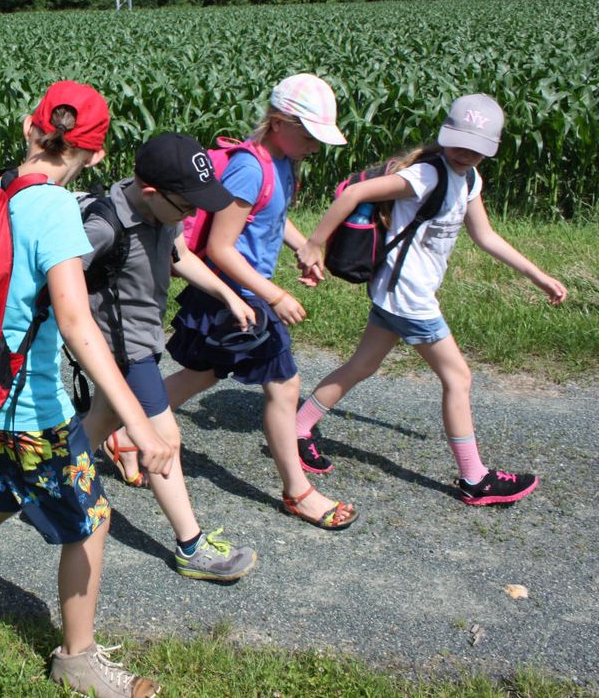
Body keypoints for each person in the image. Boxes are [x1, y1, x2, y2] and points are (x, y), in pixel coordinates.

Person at [0, 81, 172, 698]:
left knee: (3, 488)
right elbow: (76, 323)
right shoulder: (54, 209)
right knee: (91, 518)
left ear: (28, 127)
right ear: (96, 155)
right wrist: (139, 422)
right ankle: (78, 659)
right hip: (28, 400)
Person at [294, 94, 567, 505]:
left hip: (396, 294)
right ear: (445, 135)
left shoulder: (469, 180)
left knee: (362, 365)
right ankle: (475, 479)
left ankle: (296, 428)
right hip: (409, 299)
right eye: (459, 143)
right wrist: (314, 244)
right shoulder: (426, 175)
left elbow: (485, 236)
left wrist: (538, 276)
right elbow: (353, 195)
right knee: (458, 378)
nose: (465, 154)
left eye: (476, 150)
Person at [161, 74, 359, 530]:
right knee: (284, 385)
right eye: (308, 134)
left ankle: (121, 427)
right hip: (235, 295)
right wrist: (275, 294)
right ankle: (298, 492)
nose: (314, 145)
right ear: (278, 122)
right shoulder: (250, 168)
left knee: (203, 373)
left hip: (241, 295)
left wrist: (303, 247)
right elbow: (222, 248)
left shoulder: (282, 162)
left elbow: (271, 216)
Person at [80, 132, 258, 582]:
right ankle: (190, 547)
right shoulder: (103, 226)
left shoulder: (164, 211)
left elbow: (178, 256)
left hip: (144, 338)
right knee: (164, 441)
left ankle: (45, 480)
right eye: (186, 206)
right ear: (152, 192)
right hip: (123, 350)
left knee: (100, 423)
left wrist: (225, 293)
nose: (193, 214)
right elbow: (59, 281)